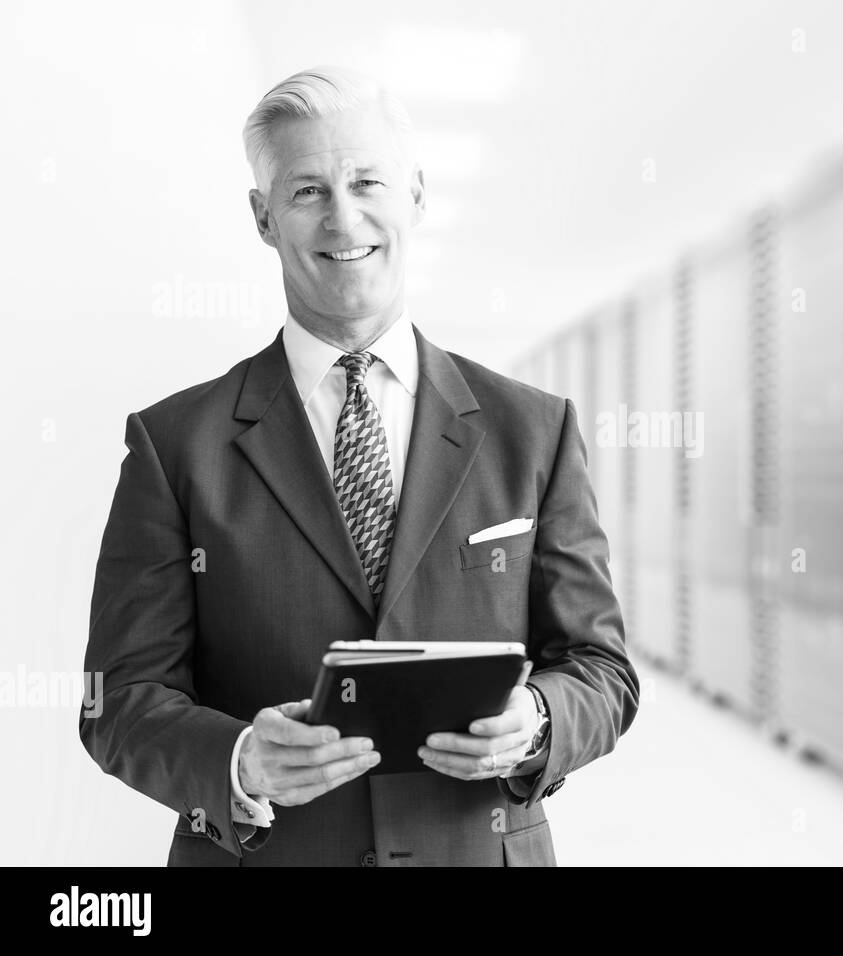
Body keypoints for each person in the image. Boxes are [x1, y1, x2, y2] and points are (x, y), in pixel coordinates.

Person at [80, 65, 638, 866]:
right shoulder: (175, 446)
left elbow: (602, 669)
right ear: (263, 217)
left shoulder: (532, 430)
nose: (344, 218)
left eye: (366, 181)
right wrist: (240, 761)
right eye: (306, 190)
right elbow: (118, 702)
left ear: (415, 196)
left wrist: (539, 722)